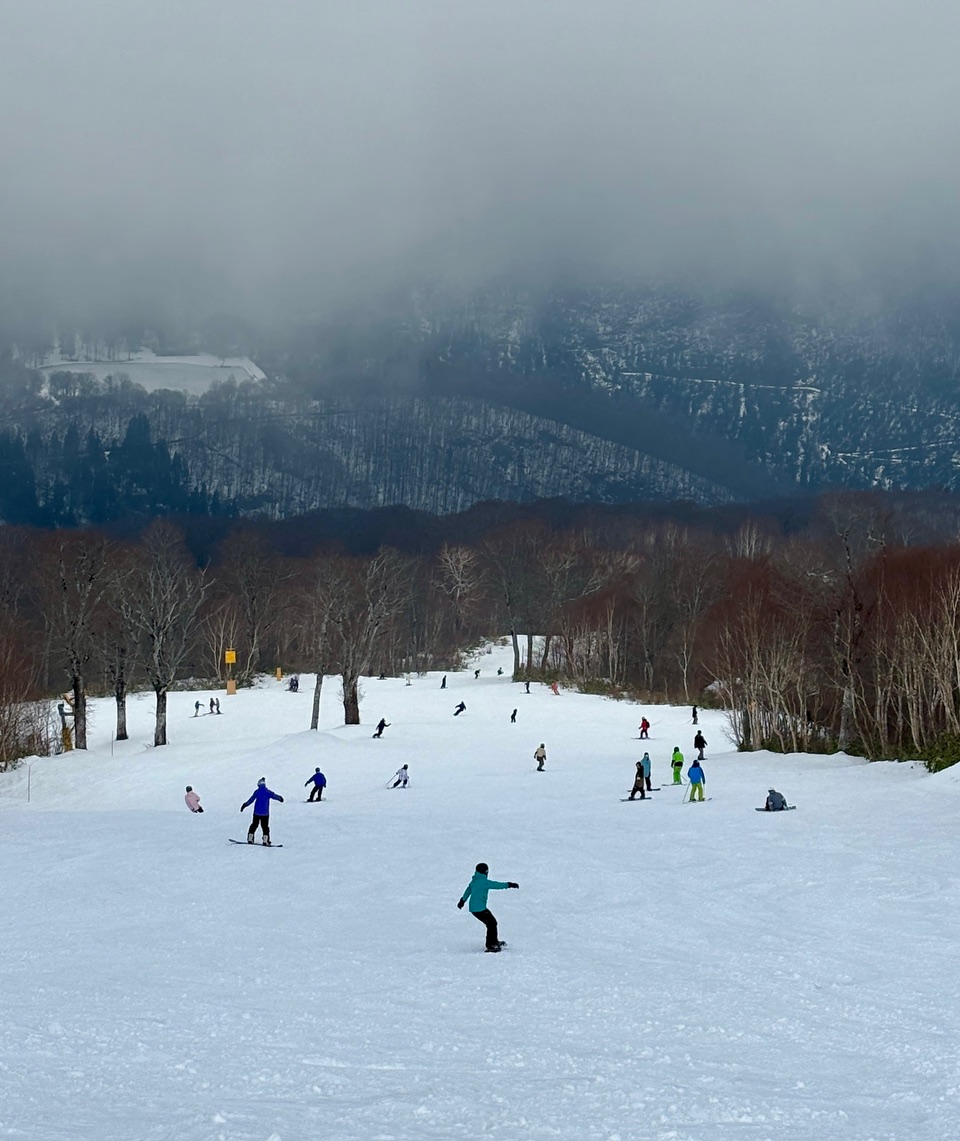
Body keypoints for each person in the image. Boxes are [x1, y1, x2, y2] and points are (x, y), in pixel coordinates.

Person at [457, 862, 519, 952]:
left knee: (492, 923)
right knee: (492, 924)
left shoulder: (474, 881)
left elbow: (468, 890)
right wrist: (509, 884)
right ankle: (491, 945)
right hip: (479, 909)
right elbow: (496, 885)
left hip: (475, 908)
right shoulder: (484, 882)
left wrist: (462, 901)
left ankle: (494, 941)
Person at [240, 777, 284, 844]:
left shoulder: (257, 792)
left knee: (254, 825)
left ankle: (250, 838)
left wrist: (245, 804)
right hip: (265, 813)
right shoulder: (268, 792)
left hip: (256, 813)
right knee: (265, 827)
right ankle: (265, 840)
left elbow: (251, 800)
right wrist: (280, 798)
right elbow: (275, 796)